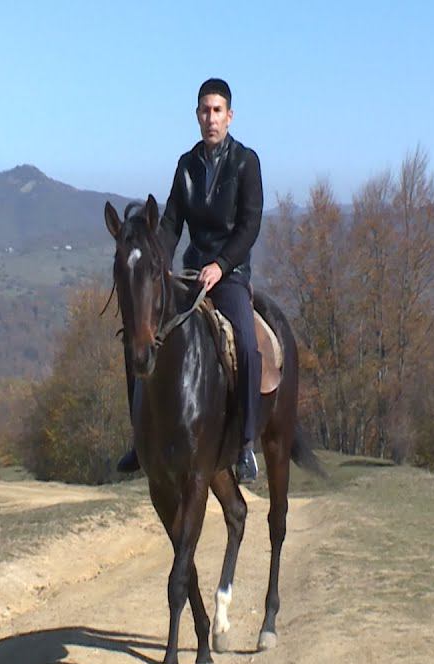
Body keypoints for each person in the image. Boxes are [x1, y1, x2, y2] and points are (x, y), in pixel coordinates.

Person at [116, 77, 264, 483]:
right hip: (189, 273)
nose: (210, 118)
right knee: (140, 335)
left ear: (229, 116)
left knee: (248, 348)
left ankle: (247, 445)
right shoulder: (186, 165)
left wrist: (222, 265)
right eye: (204, 110)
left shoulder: (246, 163)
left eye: (217, 111)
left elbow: (250, 226)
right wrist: (156, 258)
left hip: (229, 275)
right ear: (197, 116)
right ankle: (139, 439)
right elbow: (171, 224)